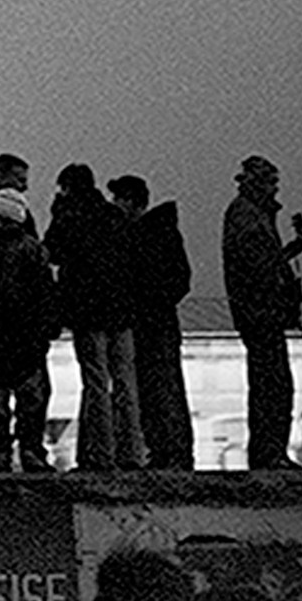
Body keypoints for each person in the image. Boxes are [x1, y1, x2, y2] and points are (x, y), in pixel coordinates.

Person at [46, 163, 144, 469]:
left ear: (67, 188)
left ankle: (101, 454)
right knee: (126, 384)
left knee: (96, 383)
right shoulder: (114, 216)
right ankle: (131, 452)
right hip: (121, 311)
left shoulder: (70, 217)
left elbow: (52, 252)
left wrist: (58, 211)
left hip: (88, 313)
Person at [222, 155, 302, 470]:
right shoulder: (246, 215)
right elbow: (258, 266)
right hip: (260, 312)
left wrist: (293, 248)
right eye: (271, 183)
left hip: (263, 311)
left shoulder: (253, 215)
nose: (276, 190)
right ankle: (268, 453)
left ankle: (273, 451)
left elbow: (266, 261)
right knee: (271, 385)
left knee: (274, 385)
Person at [0, 188, 58, 472]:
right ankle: (30, 451)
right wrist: (45, 330)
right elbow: (46, 295)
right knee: (32, 398)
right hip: (25, 337)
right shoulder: (34, 250)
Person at [109, 175, 193, 470]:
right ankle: (164, 451)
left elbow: (179, 280)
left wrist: (145, 300)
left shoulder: (154, 233)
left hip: (155, 324)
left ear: (131, 201)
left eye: (118, 199)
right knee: (152, 389)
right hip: (150, 323)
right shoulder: (149, 233)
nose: (114, 205)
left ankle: (173, 452)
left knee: (162, 388)